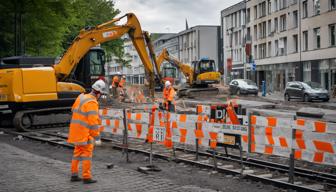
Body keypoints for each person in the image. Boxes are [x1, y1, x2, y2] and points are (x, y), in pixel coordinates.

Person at [67, 79, 106, 184]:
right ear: (98, 93)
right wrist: (97, 137)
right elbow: (93, 123)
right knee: (87, 155)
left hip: (76, 132)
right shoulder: (92, 102)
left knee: (77, 153)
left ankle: (74, 175)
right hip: (85, 134)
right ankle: (86, 177)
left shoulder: (81, 97)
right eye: (101, 94)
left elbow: (73, 110)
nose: (100, 96)